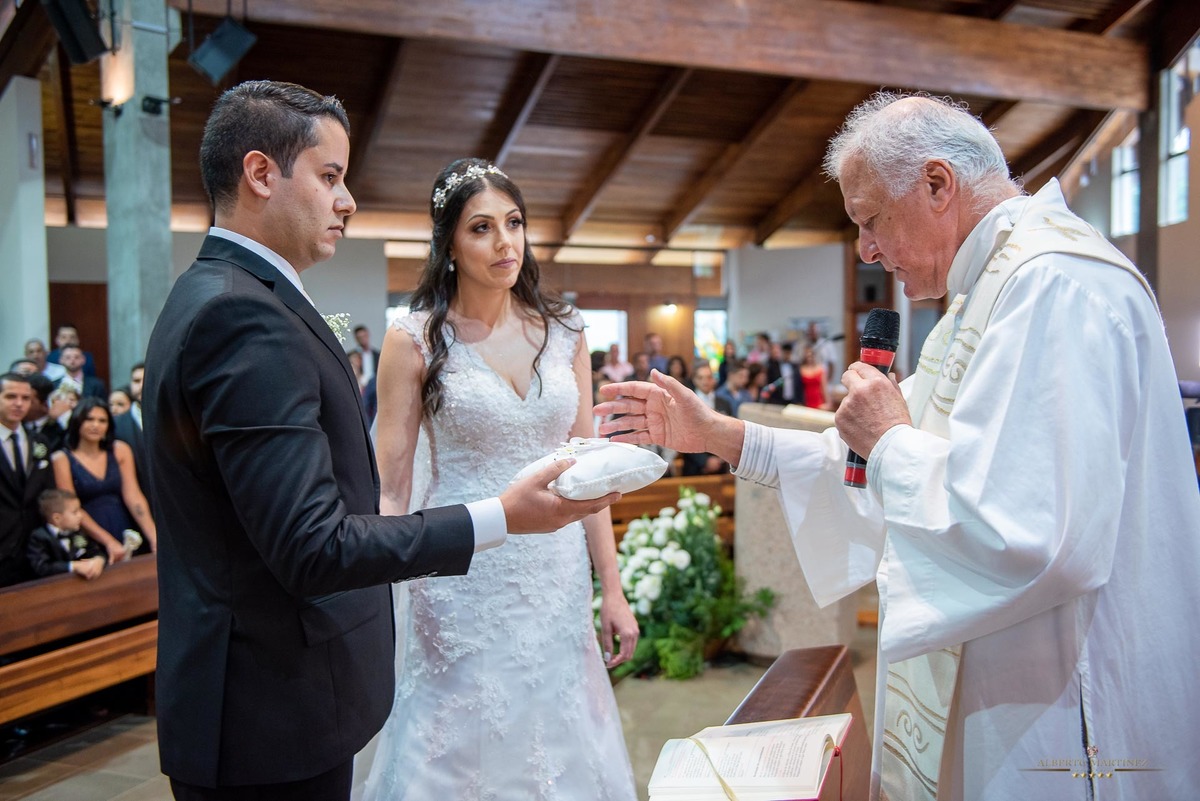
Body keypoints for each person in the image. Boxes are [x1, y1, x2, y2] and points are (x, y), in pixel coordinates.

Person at [597, 93, 1200, 801]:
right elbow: (865, 461)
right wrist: (714, 434)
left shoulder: (1053, 286)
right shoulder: (985, 297)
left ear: (938, 185)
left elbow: (1034, 530)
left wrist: (888, 442)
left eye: (871, 219)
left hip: (1063, 707)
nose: (868, 250)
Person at [142, 82, 615, 801]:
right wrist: (499, 518)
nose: (348, 199)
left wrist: (606, 583)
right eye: (330, 176)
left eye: (514, 222)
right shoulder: (243, 316)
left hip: (529, 586)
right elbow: (321, 534)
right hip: (269, 703)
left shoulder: (223, 295)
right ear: (262, 174)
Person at [358, 158, 638, 801]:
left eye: (513, 223)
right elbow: (392, 485)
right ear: (449, 244)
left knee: (562, 727)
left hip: (555, 574)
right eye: (481, 228)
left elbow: (586, 466)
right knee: (458, 738)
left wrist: (612, 589)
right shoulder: (415, 339)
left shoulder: (564, 331)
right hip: (458, 571)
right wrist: (383, 599)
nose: (505, 242)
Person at [51, 397, 156, 564]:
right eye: (89, 419)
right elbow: (72, 508)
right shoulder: (62, 459)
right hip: (88, 535)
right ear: (77, 421)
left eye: (102, 420)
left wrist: (154, 536)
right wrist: (108, 542)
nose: (96, 425)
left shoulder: (120, 450)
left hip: (123, 525)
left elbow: (133, 496)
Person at [0, 373, 56, 587]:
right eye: (10, 396)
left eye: (26, 398)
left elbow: (47, 491)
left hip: (35, 547)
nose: (19, 404)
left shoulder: (39, 442)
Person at [26, 489, 106, 580]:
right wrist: (73, 566)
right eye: (74, 512)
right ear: (57, 518)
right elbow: (42, 567)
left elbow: (94, 550)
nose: (80, 515)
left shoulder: (78, 533)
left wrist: (99, 560)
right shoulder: (39, 537)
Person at [797, 345, 828, 409]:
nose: (809, 357)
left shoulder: (820, 369)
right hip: (806, 401)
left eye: (811, 355)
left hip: (818, 401)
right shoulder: (801, 369)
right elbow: (798, 388)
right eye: (807, 355)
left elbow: (824, 387)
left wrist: (827, 402)